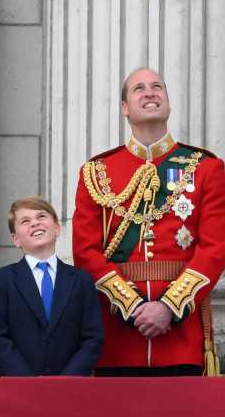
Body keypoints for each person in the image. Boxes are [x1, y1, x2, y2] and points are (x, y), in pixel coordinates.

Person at [72, 68, 225, 376]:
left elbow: (215, 249)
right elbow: (85, 252)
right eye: (139, 88)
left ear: (167, 102)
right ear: (125, 108)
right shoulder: (96, 171)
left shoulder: (206, 168)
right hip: (117, 337)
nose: (150, 92)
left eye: (157, 87)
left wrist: (168, 307)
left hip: (181, 337)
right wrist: (132, 307)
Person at [0, 197, 102, 376]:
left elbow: (93, 337)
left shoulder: (81, 279)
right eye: (25, 221)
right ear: (16, 239)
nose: (35, 223)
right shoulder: (2, 280)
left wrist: (67, 379)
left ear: (56, 228)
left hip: (70, 388)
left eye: (41, 216)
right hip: (17, 387)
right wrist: (29, 380)